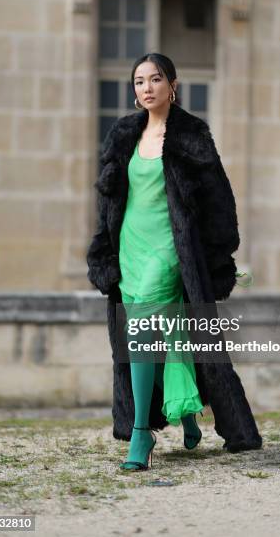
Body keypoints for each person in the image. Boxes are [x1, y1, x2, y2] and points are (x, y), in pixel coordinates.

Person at [87, 53, 262, 471]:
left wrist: (220, 258)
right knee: (157, 335)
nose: (146, 88)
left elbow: (220, 201)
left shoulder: (191, 135)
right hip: (130, 245)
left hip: (169, 247)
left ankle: (142, 435)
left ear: (173, 85)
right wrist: (104, 251)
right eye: (139, 82)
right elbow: (110, 200)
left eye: (155, 79)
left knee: (147, 324)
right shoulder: (124, 134)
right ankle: (184, 413)